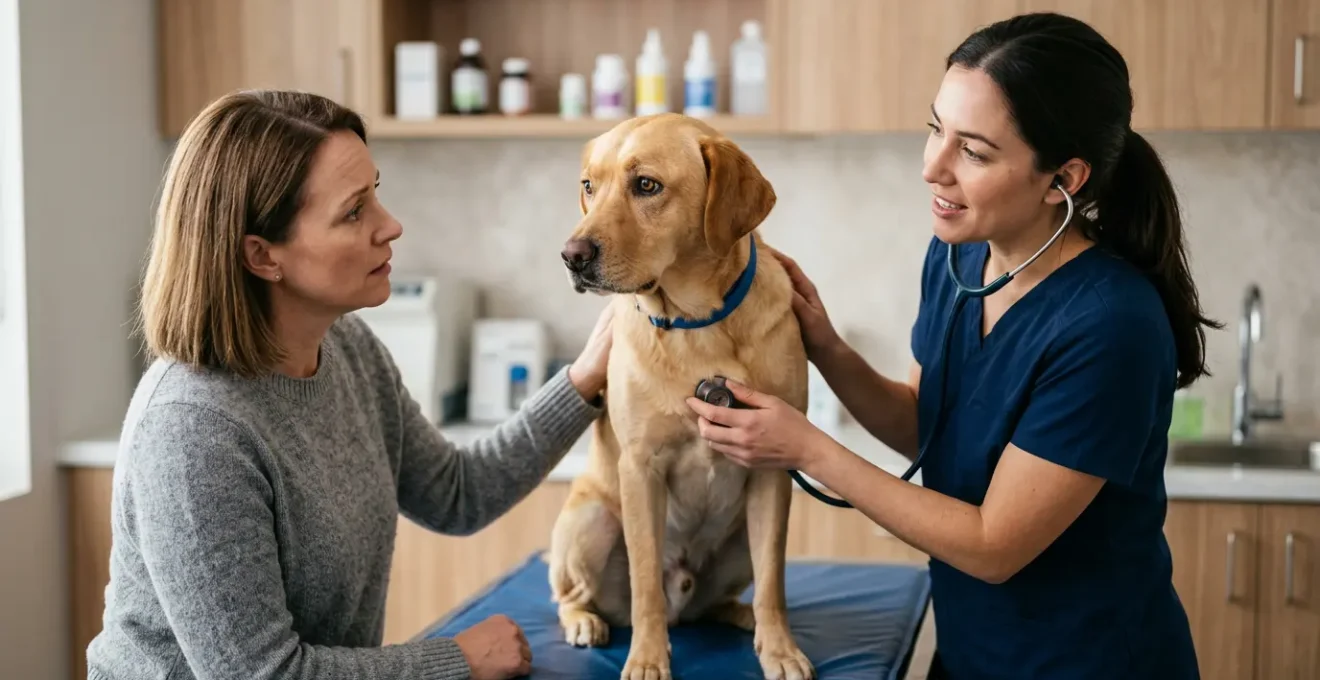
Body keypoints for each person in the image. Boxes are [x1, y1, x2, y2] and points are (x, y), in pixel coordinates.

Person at [685, 12, 1211, 680]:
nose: (932, 167)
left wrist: (807, 448)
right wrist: (826, 347)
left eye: (974, 152)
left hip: (1087, 663)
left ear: (1064, 180)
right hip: (970, 656)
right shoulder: (960, 257)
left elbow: (995, 545)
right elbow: (925, 427)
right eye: (936, 128)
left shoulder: (1110, 325)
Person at [84, 90, 615, 680]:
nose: (391, 226)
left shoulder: (346, 348)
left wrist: (585, 377)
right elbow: (264, 675)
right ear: (262, 256)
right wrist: (458, 661)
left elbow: (456, 493)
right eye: (354, 211)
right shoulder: (193, 431)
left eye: (375, 193)